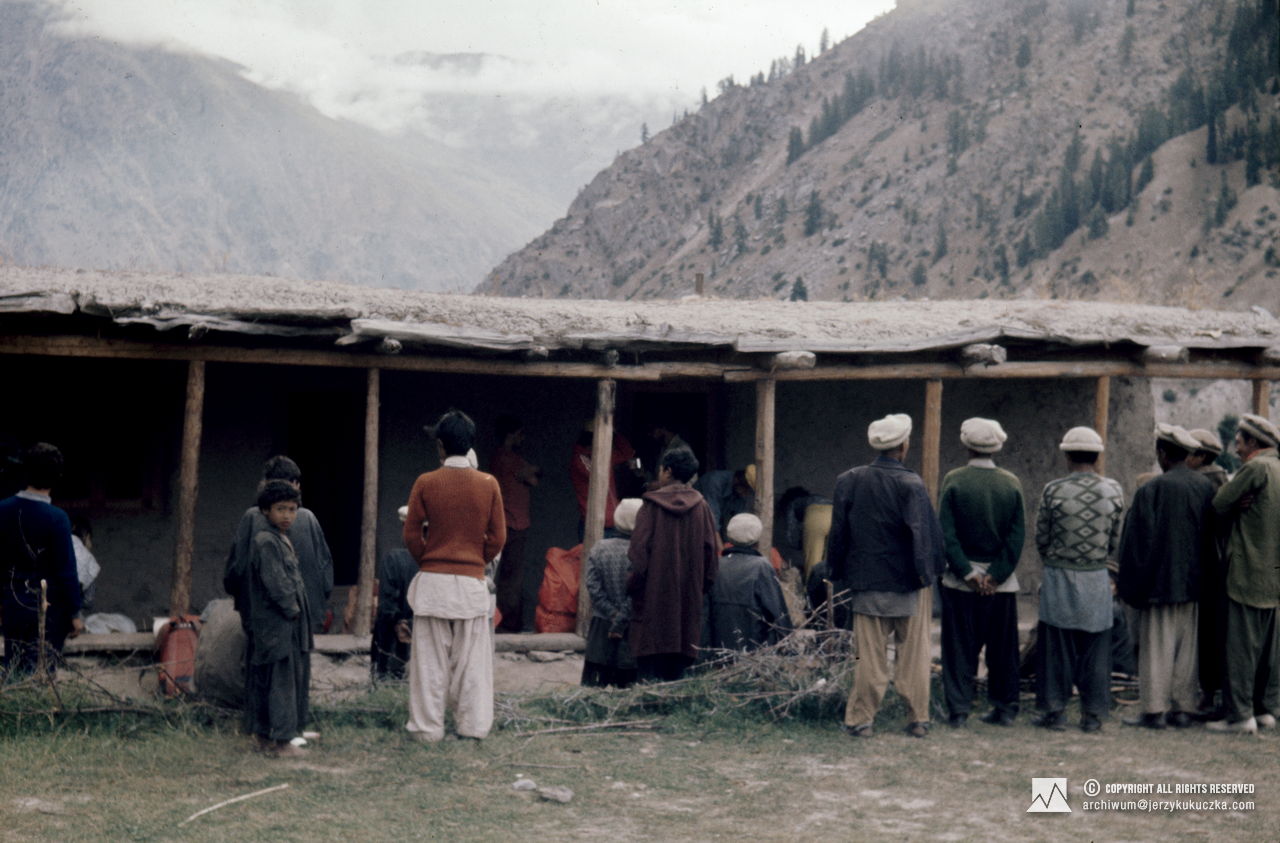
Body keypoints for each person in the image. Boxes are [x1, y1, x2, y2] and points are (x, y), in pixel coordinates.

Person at [827, 413, 945, 739]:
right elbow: (925, 538)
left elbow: (838, 534)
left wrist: (835, 572)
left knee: (867, 659)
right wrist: (927, 578)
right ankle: (918, 718)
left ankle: (860, 720)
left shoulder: (848, 480)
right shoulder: (912, 484)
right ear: (904, 445)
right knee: (914, 657)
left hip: (866, 583)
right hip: (908, 583)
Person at [402, 409, 505, 742]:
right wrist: (477, 560)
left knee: (428, 666)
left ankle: (427, 730)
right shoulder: (488, 484)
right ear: (471, 444)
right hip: (471, 584)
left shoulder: (425, 482)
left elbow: (411, 533)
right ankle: (473, 727)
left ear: (440, 447)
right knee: (472, 665)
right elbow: (499, 537)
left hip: (433, 583)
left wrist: (428, 558)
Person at [1117, 424, 1214, 730]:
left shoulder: (1151, 490)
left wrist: (1131, 586)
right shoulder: (1205, 487)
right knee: (1188, 651)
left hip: (1159, 585)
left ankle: (1154, 711)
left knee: (1156, 649)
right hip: (1195, 584)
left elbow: (1135, 542)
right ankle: (1183, 708)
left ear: (1162, 453)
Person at [1033, 426, 1124, 734]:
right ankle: (1093, 715)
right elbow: (1114, 539)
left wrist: (1059, 558)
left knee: (1056, 647)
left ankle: (1055, 712)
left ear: (1067, 455)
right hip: (1096, 578)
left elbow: (1041, 537)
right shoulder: (1113, 490)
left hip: (1060, 575)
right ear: (1097, 456)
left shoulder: (1053, 490)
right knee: (1096, 649)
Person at [938, 417, 1026, 728]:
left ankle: (959, 709)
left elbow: (946, 534)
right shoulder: (1010, 483)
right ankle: (1005, 708)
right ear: (996, 446)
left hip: (961, 584)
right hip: (1000, 586)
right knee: (1003, 649)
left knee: (960, 647)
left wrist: (967, 572)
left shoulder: (954, 480)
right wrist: (996, 575)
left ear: (966, 445)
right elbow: (1016, 537)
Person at [1207, 413, 1280, 734]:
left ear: (1253, 443)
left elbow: (1219, 503)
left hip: (1247, 573)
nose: (1236, 448)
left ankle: (1240, 716)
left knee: (1240, 650)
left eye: (1239, 442)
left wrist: (1236, 503)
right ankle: (1266, 711)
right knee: (1268, 651)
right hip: (1273, 577)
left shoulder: (1255, 468)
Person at [627, 446, 719, 682]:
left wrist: (633, 588)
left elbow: (638, 555)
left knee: (648, 672)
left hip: (652, 602)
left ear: (667, 471)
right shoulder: (702, 507)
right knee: (679, 675)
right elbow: (712, 556)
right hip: (688, 604)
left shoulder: (650, 507)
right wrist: (699, 589)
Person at [226, 456, 334, 635]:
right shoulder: (308, 519)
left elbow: (235, 572)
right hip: (305, 621)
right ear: (296, 485)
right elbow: (325, 575)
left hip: (262, 622)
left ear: (265, 484)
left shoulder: (251, 518)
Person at [244, 480, 313, 758]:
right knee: (280, 681)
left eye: (292, 509)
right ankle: (282, 740)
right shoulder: (265, 542)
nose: (287, 515)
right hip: (277, 624)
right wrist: (293, 610)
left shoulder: (280, 539)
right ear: (265, 511)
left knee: (275, 679)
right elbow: (278, 585)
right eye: (280, 509)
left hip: (284, 624)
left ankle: (264, 735)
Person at [0, 443, 81, 677]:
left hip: (13, 604)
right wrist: (75, 613)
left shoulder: (3, 510)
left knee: (14, 667)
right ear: (57, 477)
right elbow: (67, 571)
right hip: (47, 608)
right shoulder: (57, 518)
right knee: (42, 670)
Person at [703, 513, 793, 652]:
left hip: (717, 645)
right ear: (757, 538)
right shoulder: (761, 566)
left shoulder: (716, 565)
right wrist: (789, 644)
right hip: (752, 647)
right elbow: (778, 612)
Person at [1187, 427, 1229, 714]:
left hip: (1204, 565)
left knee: (1206, 633)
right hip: (1219, 565)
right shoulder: (1223, 480)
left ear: (1201, 456)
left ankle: (1207, 692)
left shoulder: (1204, 482)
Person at [581, 498, 642, 688]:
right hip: (633, 626)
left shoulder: (600, 548)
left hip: (601, 624)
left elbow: (592, 585)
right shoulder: (643, 552)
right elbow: (639, 591)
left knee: (594, 687)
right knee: (628, 687)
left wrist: (611, 613)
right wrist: (621, 617)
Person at [491, 415, 540, 633]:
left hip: (508, 521)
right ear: (511, 435)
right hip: (514, 523)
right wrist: (533, 468)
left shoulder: (501, 458)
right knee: (512, 577)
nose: (523, 438)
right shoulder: (508, 458)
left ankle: (504, 622)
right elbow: (534, 477)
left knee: (504, 575)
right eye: (520, 433)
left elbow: (533, 477)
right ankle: (508, 625)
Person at [371, 506, 417, 680]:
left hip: (395, 636)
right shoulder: (440, 560)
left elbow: (387, 604)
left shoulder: (394, 559)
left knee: (390, 680)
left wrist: (400, 624)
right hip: (427, 631)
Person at [569, 422, 636, 539]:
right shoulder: (581, 457)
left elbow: (627, 453)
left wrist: (615, 434)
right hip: (594, 524)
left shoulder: (602, 455)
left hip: (612, 523)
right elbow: (597, 476)